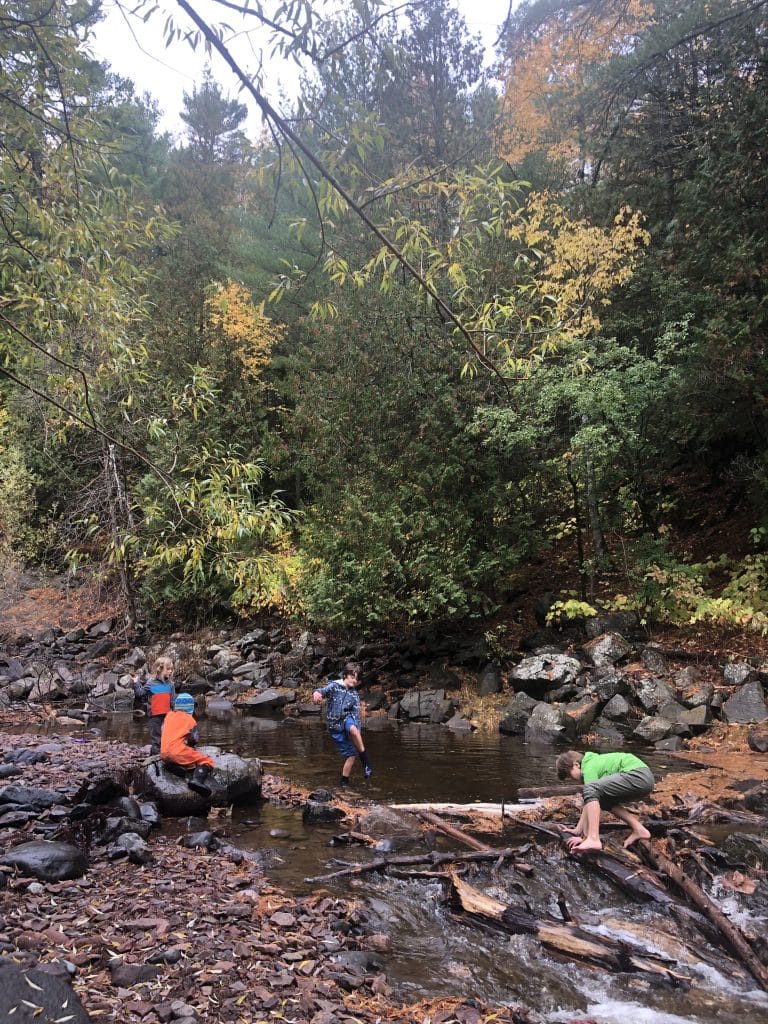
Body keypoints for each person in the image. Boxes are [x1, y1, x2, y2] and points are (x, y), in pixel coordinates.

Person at [555, 749, 655, 852]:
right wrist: (577, 831)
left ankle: (593, 838)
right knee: (602, 800)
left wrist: (584, 838)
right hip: (644, 780)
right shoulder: (593, 763)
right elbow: (590, 803)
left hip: (638, 775)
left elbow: (590, 796)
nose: (572, 779)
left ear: (576, 765)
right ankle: (639, 829)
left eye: (569, 775)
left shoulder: (589, 767)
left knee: (590, 790)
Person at [313, 662, 373, 787]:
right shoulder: (334, 686)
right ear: (345, 675)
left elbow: (356, 715)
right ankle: (344, 782)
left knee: (354, 730)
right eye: (352, 677)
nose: (355, 680)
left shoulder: (354, 694)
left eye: (357, 678)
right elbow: (321, 691)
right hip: (334, 726)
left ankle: (366, 763)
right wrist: (317, 694)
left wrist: (357, 733)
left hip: (347, 719)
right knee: (351, 755)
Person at [160, 692, 215, 795]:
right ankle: (197, 780)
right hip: (178, 752)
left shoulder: (168, 716)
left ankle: (172, 767)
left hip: (164, 754)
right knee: (206, 760)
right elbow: (194, 739)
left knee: (175, 756)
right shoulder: (190, 720)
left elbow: (163, 731)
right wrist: (189, 743)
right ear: (191, 708)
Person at [133, 655, 176, 755]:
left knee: (167, 736)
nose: (170, 671)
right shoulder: (151, 683)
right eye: (168, 669)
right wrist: (136, 682)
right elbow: (140, 693)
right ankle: (155, 757)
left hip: (167, 715)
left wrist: (177, 713)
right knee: (156, 737)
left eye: (171, 669)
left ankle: (166, 754)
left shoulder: (170, 685)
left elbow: (173, 701)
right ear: (160, 669)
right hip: (154, 716)